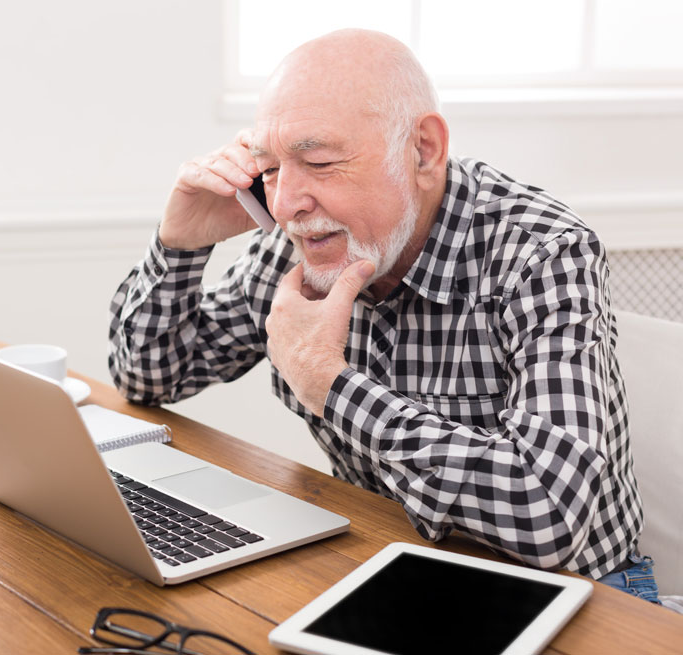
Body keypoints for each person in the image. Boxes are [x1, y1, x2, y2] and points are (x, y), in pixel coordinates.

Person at [108, 29, 657, 599]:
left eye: (318, 161)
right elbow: (148, 376)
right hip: (388, 568)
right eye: (268, 168)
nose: (285, 203)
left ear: (423, 149)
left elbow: (549, 516)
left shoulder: (542, 251)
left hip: (585, 596)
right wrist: (180, 248)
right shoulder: (295, 240)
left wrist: (330, 384)